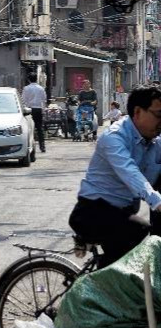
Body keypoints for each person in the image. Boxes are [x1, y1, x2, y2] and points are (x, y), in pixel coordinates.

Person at [69, 85, 161, 268]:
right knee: (139, 230)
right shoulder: (114, 137)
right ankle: (101, 288)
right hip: (93, 211)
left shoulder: (154, 140)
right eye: (158, 115)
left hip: (121, 213)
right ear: (137, 112)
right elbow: (130, 172)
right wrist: (157, 201)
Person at [22, 76, 48, 155]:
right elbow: (44, 99)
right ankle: (42, 146)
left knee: (29, 128)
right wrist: (43, 110)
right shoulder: (41, 88)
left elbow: (23, 99)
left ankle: (29, 146)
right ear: (36, 79)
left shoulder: (26, 88)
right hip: (38, 109)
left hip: (29, 110)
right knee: (39, 128)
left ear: (28, 79)